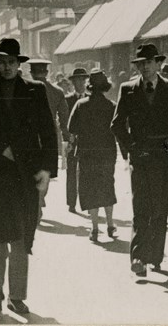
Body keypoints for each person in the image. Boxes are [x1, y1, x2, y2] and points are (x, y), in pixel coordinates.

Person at [0, 38, 58, 316]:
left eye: (11, 62)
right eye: (2, 62)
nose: (6, 67)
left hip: (26, 176)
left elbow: (48, 131)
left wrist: (46, 170)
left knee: (21, 237)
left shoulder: (35, 90)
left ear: (19, 64)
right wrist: (0, 150)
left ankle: (17, 296)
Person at [111, 43, 168, 277]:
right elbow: (117, 123)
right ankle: (139, 257)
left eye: (148, 63)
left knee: (161, 208)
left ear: (158, 64)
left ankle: (156, 257)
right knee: (141, 206)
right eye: (140, 63)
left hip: (164, 154)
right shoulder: (128, 88)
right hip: (140, 155)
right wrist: (133, 148)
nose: (144, 67)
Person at [68, 69, 118, 242]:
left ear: (90, 86)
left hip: (87, 153)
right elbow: (118, 128)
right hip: (107, 153)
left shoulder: (81, 105)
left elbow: (71, 128)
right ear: (105, 87)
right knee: (107, 185)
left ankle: (95, 228)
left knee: (90, 188)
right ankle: (110, 224)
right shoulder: (111, 106)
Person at [28, 59, 70, 195]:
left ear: (30, 73)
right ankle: (40, 197)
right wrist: (66, 137)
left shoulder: (23, 90)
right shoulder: (57, 91)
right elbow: (64, 118)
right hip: (49, 135)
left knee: (29, 168)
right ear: (47, 72)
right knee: (45, 169)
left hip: (29, 135)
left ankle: (36, 200)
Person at [64, 67, 89, 212]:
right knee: (71, 171)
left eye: (82, 80)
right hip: (72, 140)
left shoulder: (90, 98)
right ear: (73, 83)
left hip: (86, 140)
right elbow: (64, 120)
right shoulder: (67, 99)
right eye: (76, 80)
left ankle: (85, 201)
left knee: (86, 171)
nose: (79, 83)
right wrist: (67, 139)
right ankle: (71, 202)